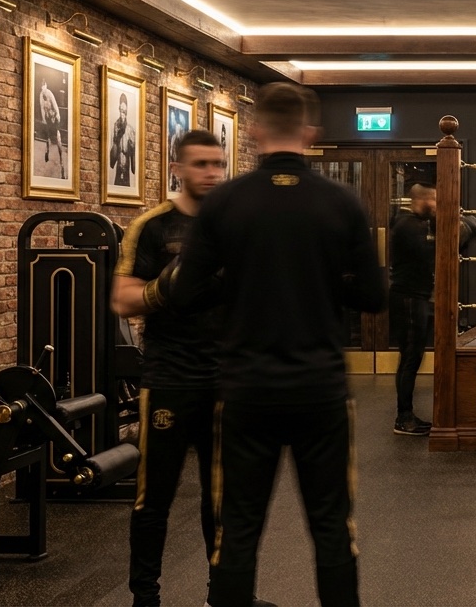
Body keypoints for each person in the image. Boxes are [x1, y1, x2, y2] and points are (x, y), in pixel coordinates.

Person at [157, 82, 384, 607]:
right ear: (311, 133)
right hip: (320, 391)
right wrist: (323, 278)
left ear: (255, 131)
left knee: (237, 530)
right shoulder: (340, 200)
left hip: (246, 390)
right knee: (332, 528)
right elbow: (373, 296)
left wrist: (238, 277)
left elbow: (184, 293)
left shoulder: (226, 202)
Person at [111, 130, 235, 607]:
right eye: (200, 164)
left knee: (222, 499)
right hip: (170, 378)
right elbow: (122, 300)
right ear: (177, 168)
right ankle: (146, 597)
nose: (211, 173)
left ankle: (221, 594)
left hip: (226, 379)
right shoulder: (153, 227)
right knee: (153, 497)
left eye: (217, 164)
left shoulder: (234, 227)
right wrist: (166, 290)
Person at [388, 183, 437, 436]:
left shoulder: (418, 223)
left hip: (415, 296)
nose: (437, 206)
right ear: (425, 200)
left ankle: (406, 415)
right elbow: (428, 253)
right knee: (410, 357)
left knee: (412, 356)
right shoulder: (408, 225)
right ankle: (403, 418)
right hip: (407, 297)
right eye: (435, 201)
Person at [38, 81, 65, 178]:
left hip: (54, 118)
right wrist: (44, 119)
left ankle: (62, 163)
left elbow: (56, 106)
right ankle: (47, 151)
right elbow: (41, 108)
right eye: (41, 88)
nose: (43, 91)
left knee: (58, 139)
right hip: (48, 119)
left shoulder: (49, 94)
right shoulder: (41, 95)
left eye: (44, 88)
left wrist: (57, 116)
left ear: (46, 85)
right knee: (48, 136)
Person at [111, 92, 138, 186]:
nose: (122, 113)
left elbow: (134, 168)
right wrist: (116, 138)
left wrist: (132, 147)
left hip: (126, 172)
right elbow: (112, 161)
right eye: (121, 110)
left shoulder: (131, 130)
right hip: (118, 170)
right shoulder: (115, 127)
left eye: (124, 111)